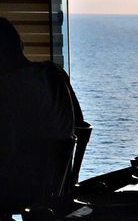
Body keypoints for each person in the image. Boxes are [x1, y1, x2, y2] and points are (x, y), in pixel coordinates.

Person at [0, 17, 87, 208]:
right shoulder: (55, 74)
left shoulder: (8, 88)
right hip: (56, 186)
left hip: (16, 189)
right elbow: (80, 124)